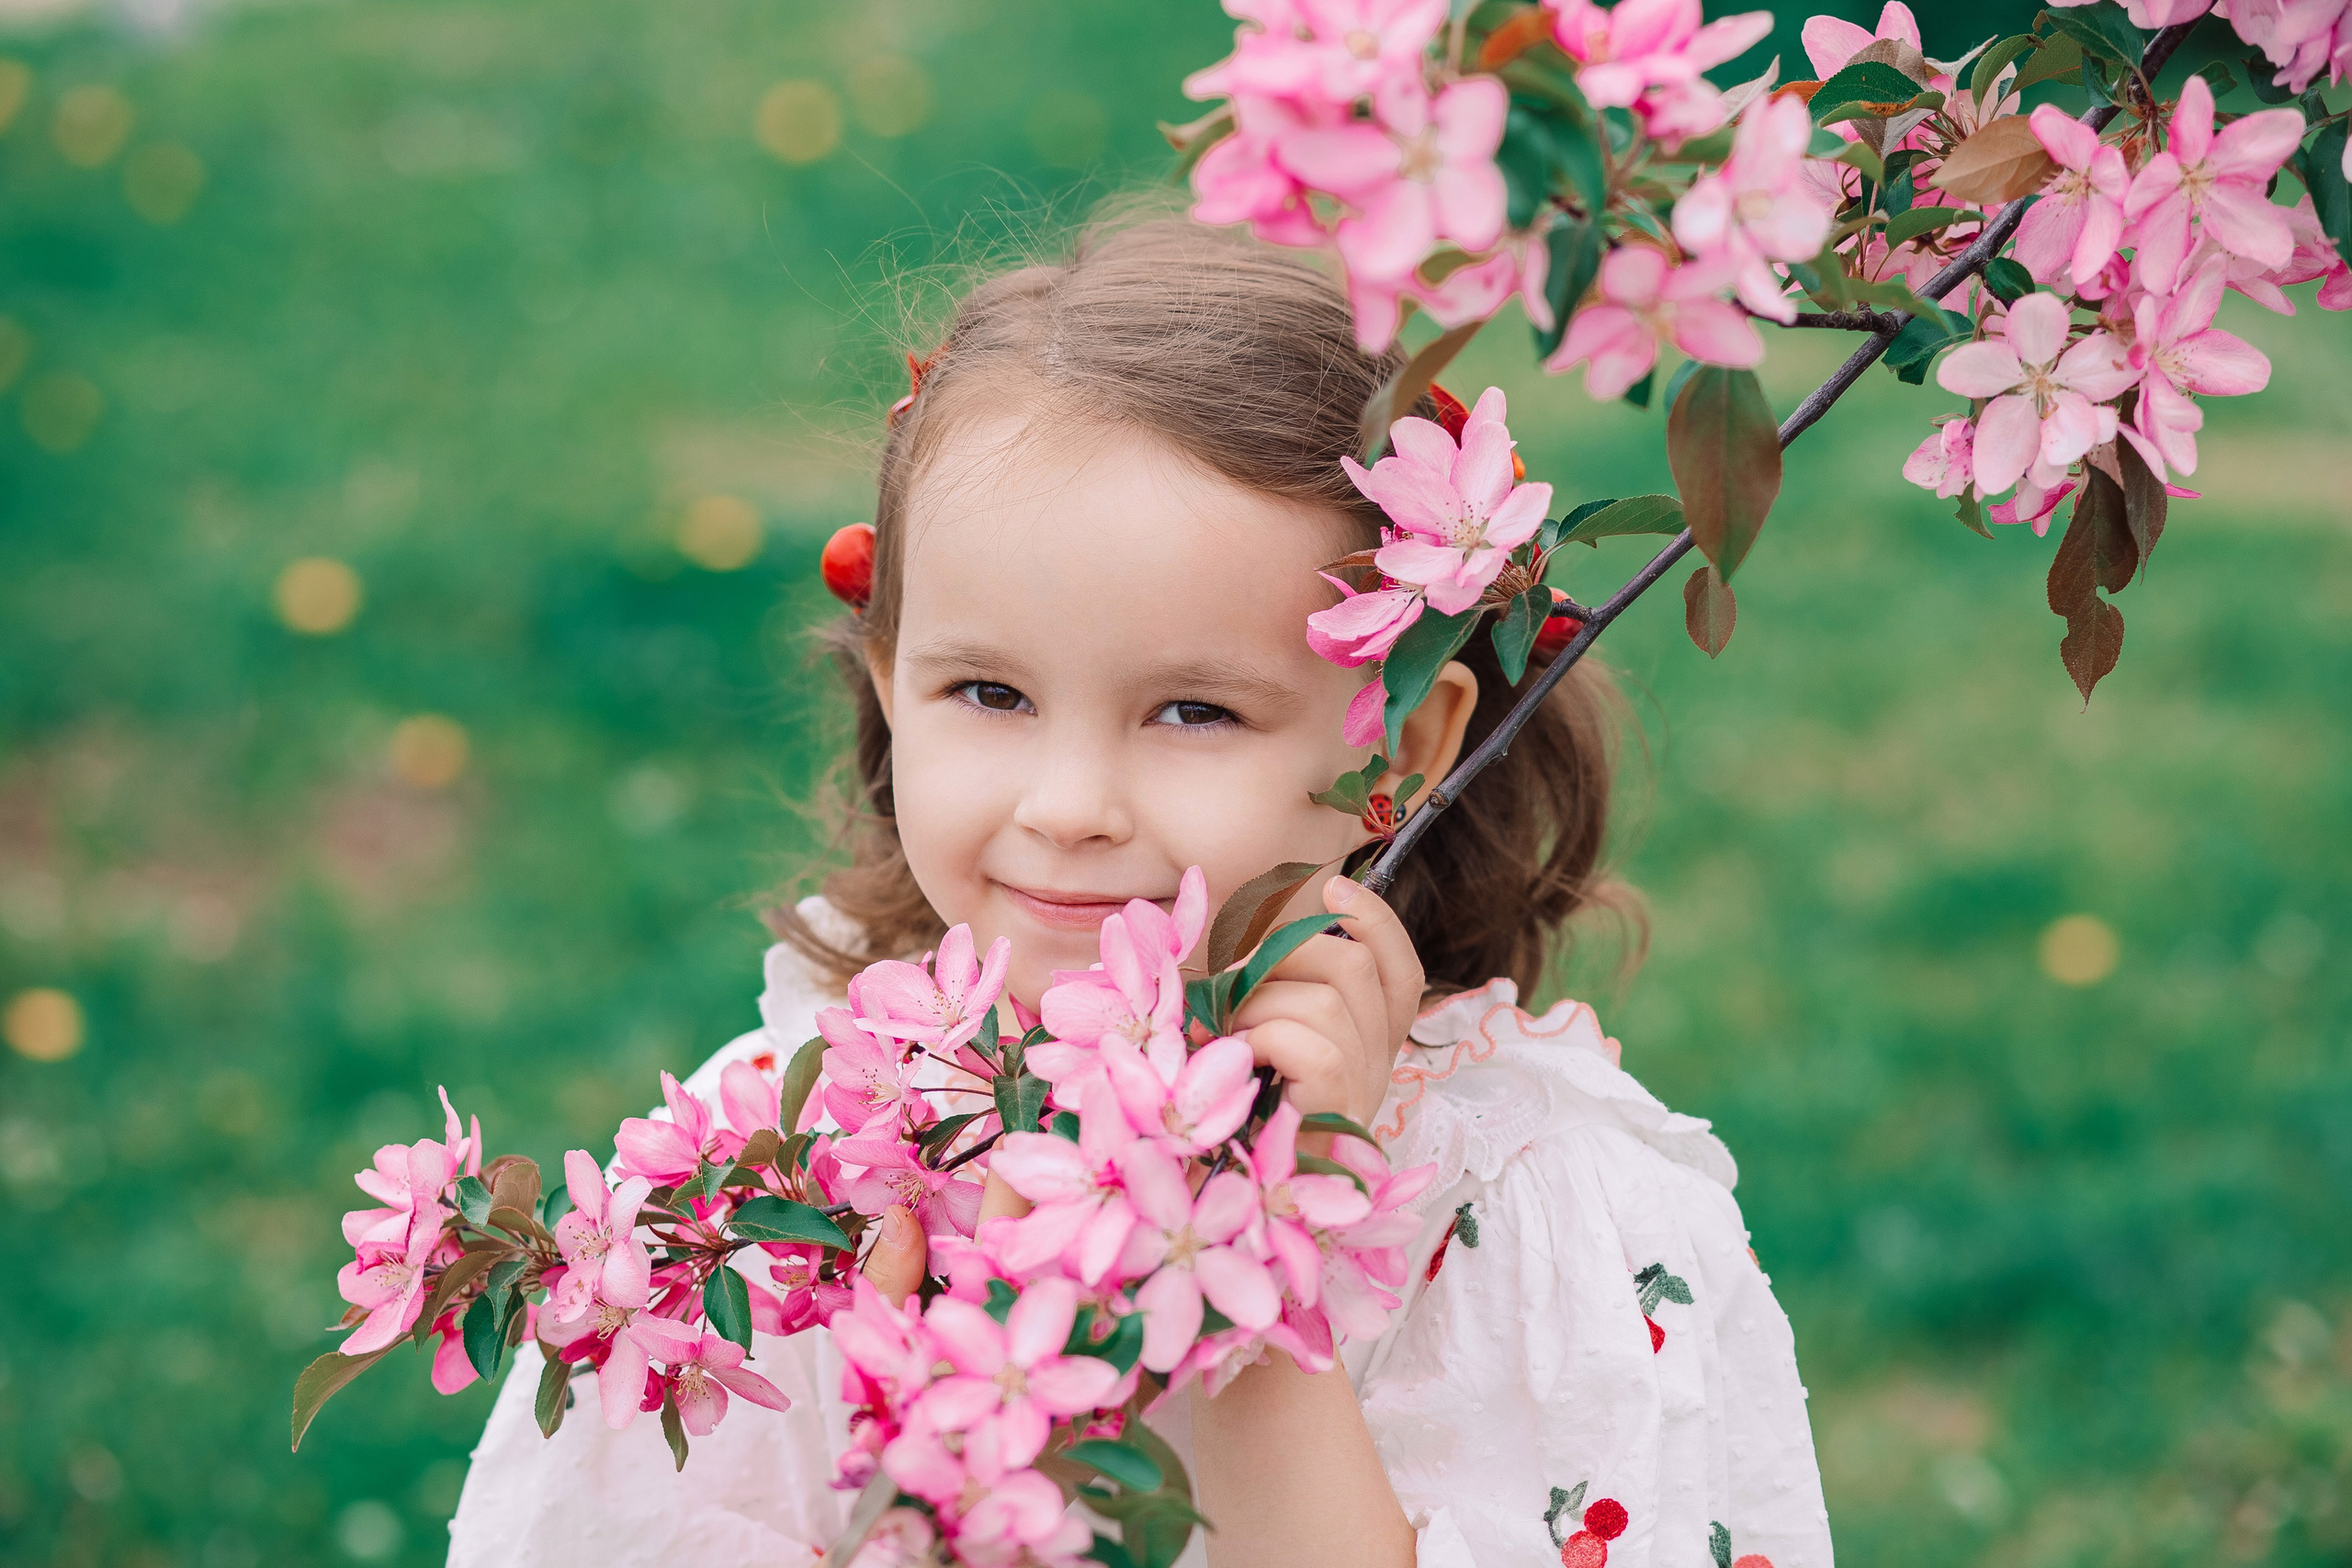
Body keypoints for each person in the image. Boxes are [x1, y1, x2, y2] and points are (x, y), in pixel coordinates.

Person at [445, 215, 1833, 1568]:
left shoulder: (1537, 1219)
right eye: (988, 692)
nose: (1067, 807)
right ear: (889, 682)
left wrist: (1251, 1238)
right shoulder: (782, 1186)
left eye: (1190, 712)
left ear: (1400, 740)